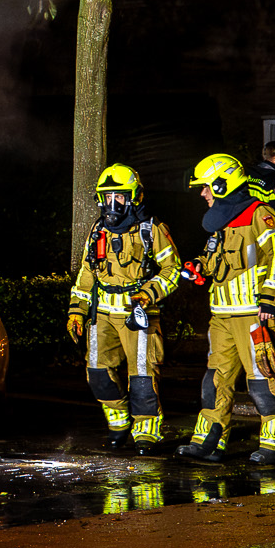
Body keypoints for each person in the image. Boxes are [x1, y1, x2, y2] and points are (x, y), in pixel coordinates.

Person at [177, 152, 275, 465]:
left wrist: (269, 297)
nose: (202, 193)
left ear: (222, 184)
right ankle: (209, 440)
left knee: (261, 380)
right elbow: (213, 258)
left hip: (253, 315)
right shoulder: (220, 220)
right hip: (222, 316)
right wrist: (198, 267)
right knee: (215, 381)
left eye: (206, 187)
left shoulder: (259, 214)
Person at [66, 163, 182, 453]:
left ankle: (146, 431)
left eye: (119, 196)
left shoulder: (151, 229)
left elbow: (172, 269)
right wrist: (76, 310)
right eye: (107, 197)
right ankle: (118, 423)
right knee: (97, 372)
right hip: (101, 314)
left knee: (142, 375)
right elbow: (87, 272)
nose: (112, 203)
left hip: (137, 314)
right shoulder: (97, 229)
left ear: (134, 197)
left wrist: (148, 293)